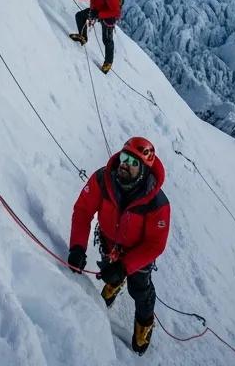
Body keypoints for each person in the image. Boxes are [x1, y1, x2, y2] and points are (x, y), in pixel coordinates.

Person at [67, 137, 170, 356]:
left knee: (140, 290)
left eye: (134, 163)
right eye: (125, 158)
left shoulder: (157, 203)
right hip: (109, 243)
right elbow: (83, 210)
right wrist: (77, 247)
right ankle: (114, 282)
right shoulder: (103, 180)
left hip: (138, 254)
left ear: (144, 170)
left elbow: (155, 244)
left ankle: (144, 325)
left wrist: (124, 267)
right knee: (109, 268)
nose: (125, 164)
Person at [64, 0, 122, 72]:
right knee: (80, 16)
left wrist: (99, 14)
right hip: (97, 11)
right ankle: (83, 37)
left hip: (108, 16)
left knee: (107, 40)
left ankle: (108, 62)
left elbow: (116, 12)